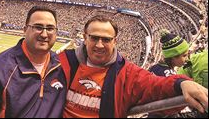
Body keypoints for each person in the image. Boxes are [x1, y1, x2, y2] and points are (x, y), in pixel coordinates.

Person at [58, 15, 208, 118]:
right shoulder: (63, 61)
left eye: (106, 39)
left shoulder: (127, 73)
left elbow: (155, 85)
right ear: (84, 38)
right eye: (94, 38)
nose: (99, 44)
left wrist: (181, 83)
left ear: (115, 41)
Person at [0, 6, 67, 118]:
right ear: (24, 30)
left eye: (50, 28)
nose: (44, 34)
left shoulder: (63, 65)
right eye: (38, 27)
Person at [148, 29, 190, 118]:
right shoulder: (170, 76)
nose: (187, 59)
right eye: (184, 55)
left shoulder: (153, 68)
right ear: (172, 57)